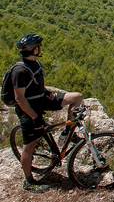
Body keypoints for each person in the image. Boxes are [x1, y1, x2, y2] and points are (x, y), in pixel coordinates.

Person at [12, 33, 83, 193]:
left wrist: (47, 92)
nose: (40, 48)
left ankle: (67, 133)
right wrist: (35, 117)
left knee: (76, 97)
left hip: (42, 99)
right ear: (34, 49)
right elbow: (20, 98)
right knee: (28, 148)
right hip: (29, 110)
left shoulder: (35, 63)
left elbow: (36, 84)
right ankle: (29, 181)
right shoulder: (19, 71)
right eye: (39, 46)